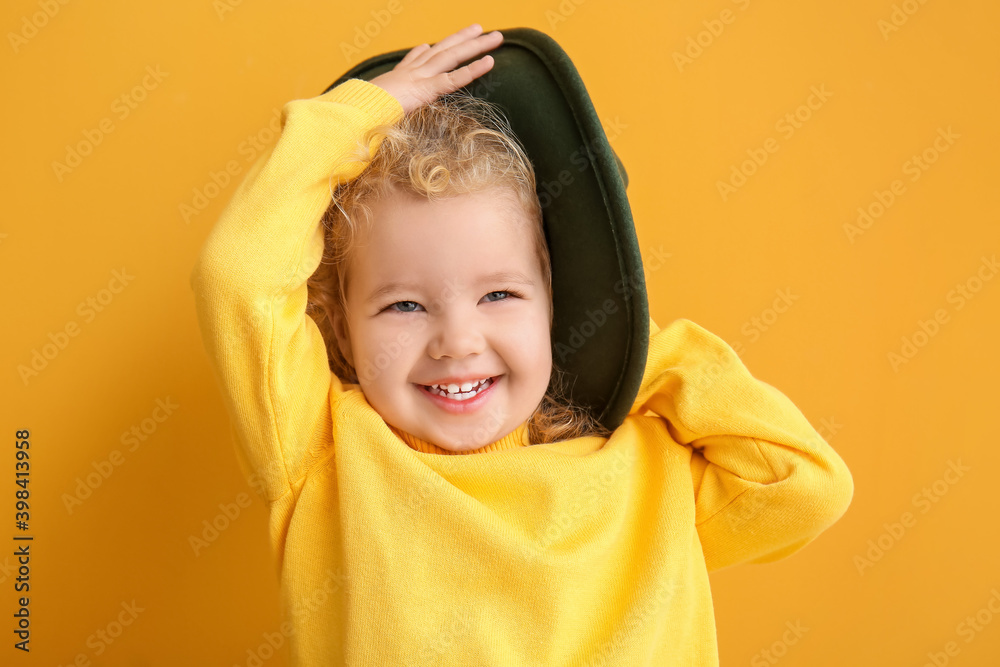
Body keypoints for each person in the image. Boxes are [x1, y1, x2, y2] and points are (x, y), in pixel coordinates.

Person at [190, 22, 853, 666]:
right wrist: (362, 113)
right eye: (404, 304)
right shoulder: (322, 449)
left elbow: (804, 484)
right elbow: (238, 273)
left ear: (555, 307)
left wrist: (622, 330)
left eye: (499, 296)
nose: (457, 341)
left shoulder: (650, 472)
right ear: (340, 327)